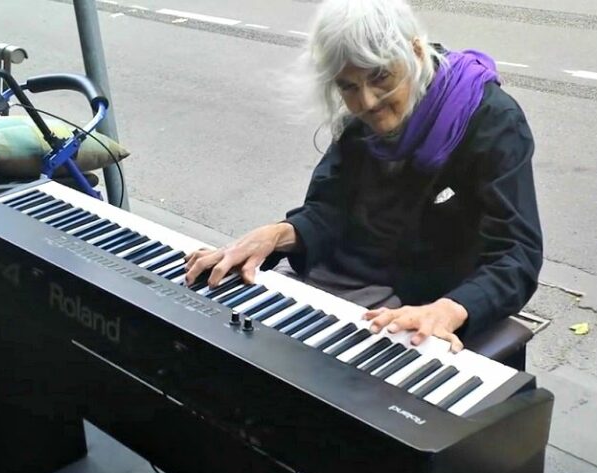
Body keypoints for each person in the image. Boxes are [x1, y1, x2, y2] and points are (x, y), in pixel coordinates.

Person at [184, 0, 542, 369]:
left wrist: (448, 310)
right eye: (348, 86)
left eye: (380, 78)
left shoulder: (493, 122)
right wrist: (277, 234)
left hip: (410, 298)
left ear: (416, 51)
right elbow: (329, 208)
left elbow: (516, 255)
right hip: (329, 280)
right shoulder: (359, 115)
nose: (367, 102)